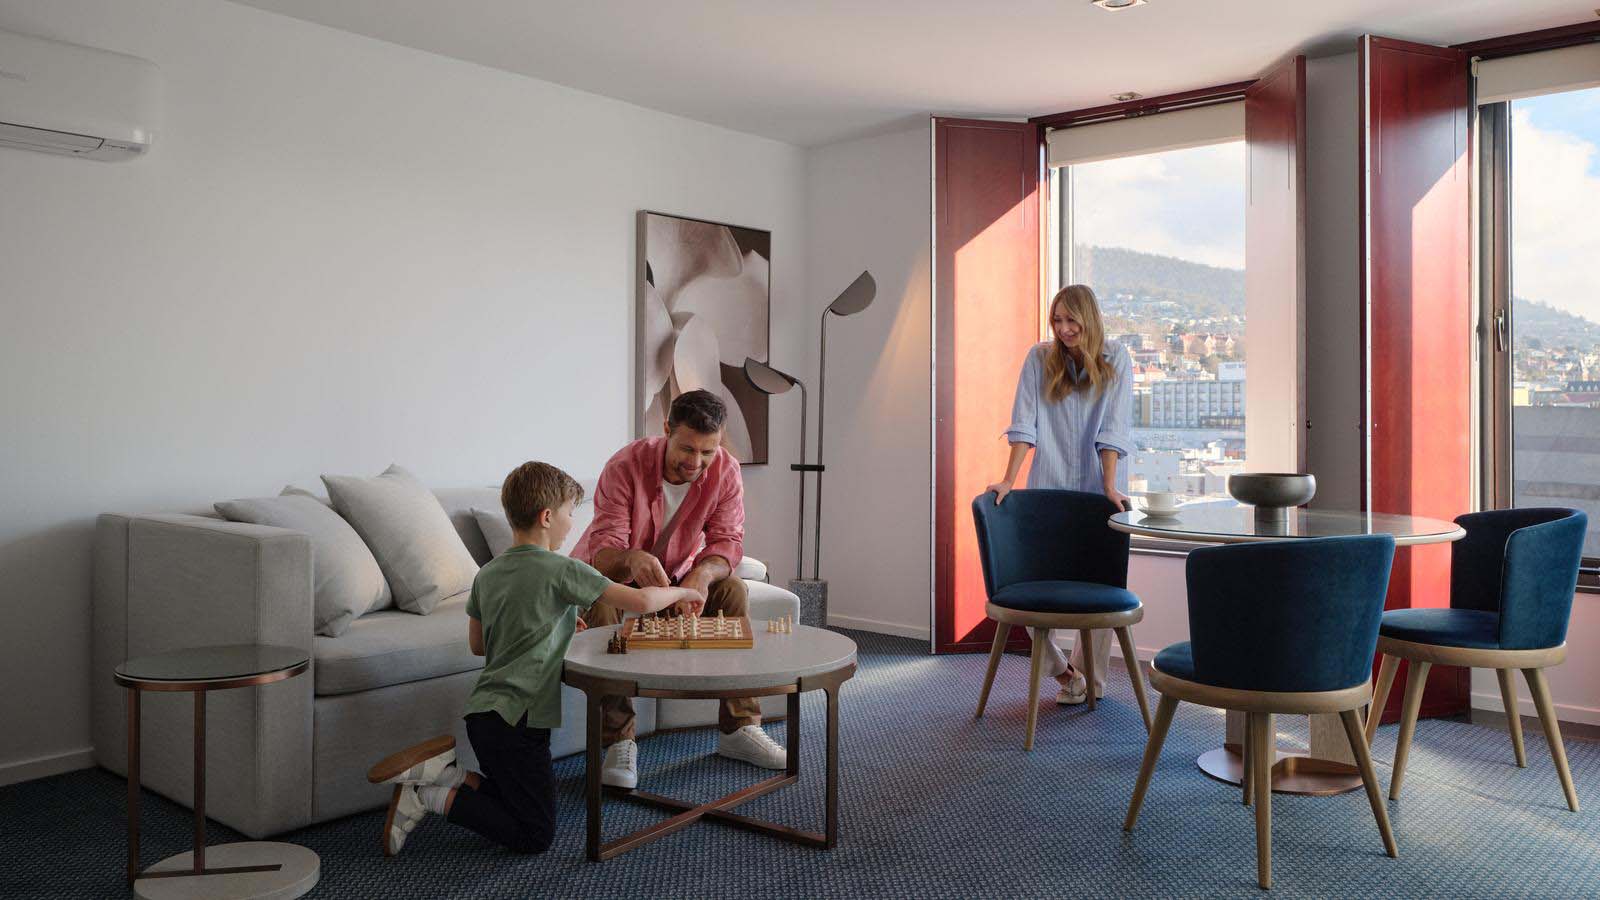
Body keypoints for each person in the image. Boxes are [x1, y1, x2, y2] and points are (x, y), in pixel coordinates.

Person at [366, 462, 702, 856]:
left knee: (515, 800)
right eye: (569, 514)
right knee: (534, 835)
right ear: (547, 517)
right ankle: (428, 798)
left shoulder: (487, 574)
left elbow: (480, 645)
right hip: (519, 722)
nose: (571, 525)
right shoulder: (562, 569)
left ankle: (448, 774)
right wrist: (683, 594)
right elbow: (642, 601)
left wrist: (554, 627)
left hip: (485, 716)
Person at [572, 389, 786, 789]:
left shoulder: (724, 469)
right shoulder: (625, 465)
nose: (697, 463)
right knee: (600, 601)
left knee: (733, 591)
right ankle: (619, 740)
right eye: (687, 449)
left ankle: (739, 729)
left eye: (708, 451)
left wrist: (701, 576)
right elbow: (603, 548)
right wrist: (632, 558)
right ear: (666, 429)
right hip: (610, 578)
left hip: (673, 579)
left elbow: (728, 541)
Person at [986, 284, 1134, 706]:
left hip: (1096, 490)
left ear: (1090, 319)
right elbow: (1024, 424)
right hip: (1047, 490)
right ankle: (1065, 673)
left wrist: (1108, 485)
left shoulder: (1116, 358)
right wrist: (1009, 479)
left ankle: (1092, 682)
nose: (1065, 329)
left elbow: (1113, 429)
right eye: (1057, 320)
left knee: (1100, 590)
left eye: (1072, 320)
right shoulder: (1038, 358)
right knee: (1028, 591)